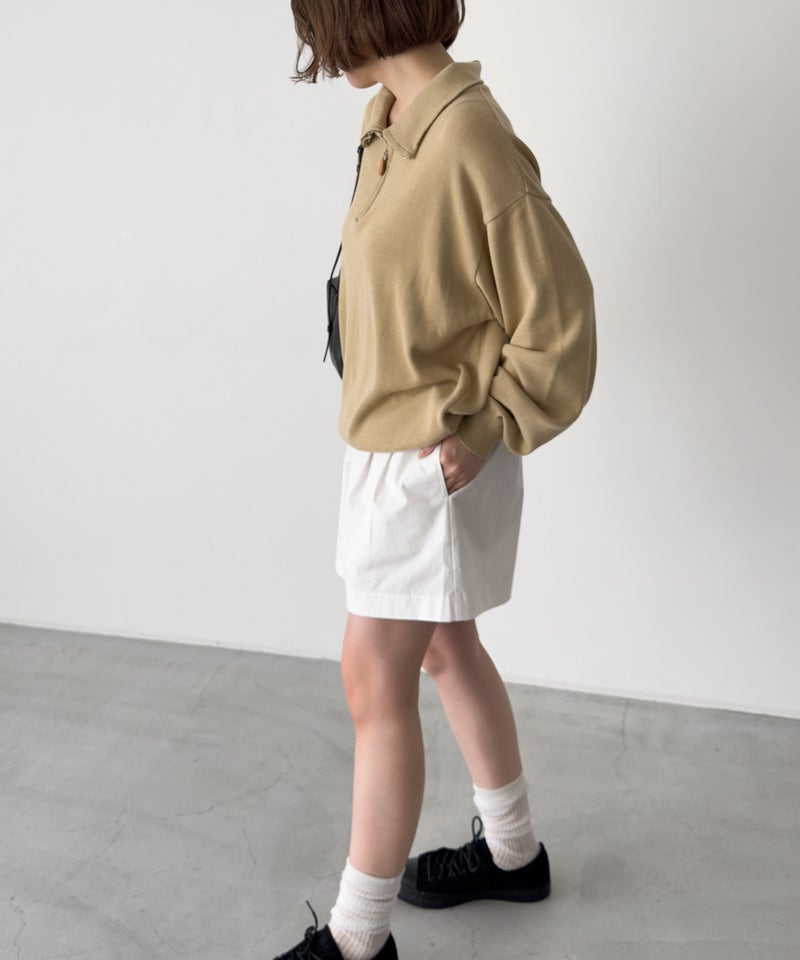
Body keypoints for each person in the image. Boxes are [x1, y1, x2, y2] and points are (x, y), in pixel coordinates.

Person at [279, 2, 597, 957]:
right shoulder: (388, 120)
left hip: (431, 458)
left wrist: (492, 425)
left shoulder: (469, 141)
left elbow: (561, 316)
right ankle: (513, 854)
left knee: (371, 675)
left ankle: (358, 938)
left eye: (318, 25)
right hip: (389, 444)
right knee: (444, 649)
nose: (316, 50)